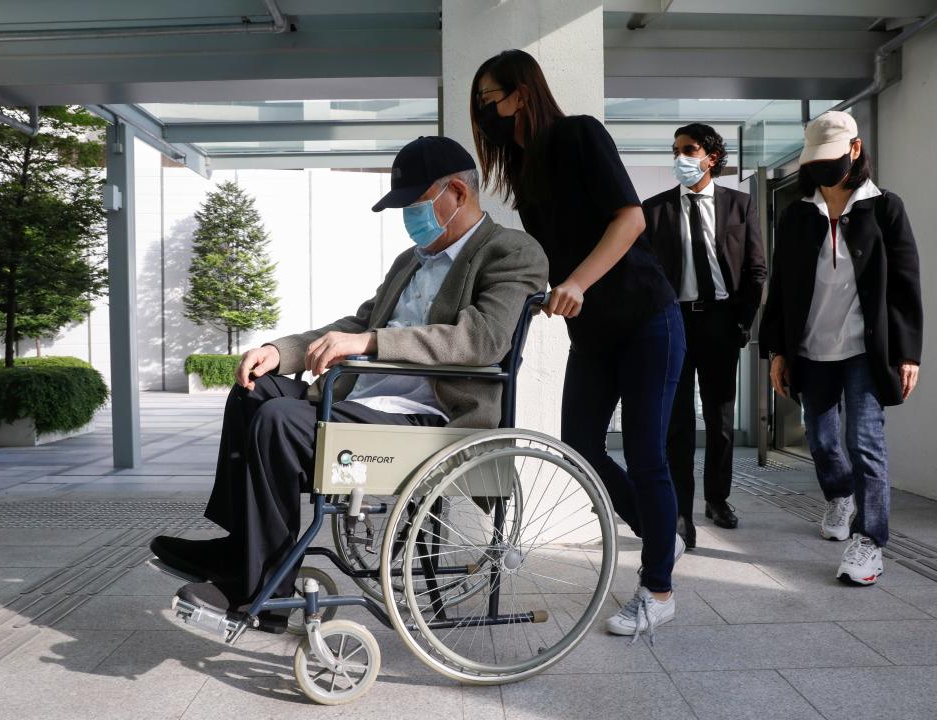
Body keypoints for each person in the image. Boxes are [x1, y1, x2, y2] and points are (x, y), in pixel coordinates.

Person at [150, 135, 549, 612]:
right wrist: (282, 352)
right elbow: (360, 323)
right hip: (367, 402)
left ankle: (259, 588)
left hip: (430, 417)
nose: (408, 218)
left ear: (457, 195)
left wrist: (372, 343)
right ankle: (241, 550)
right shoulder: (411, 262)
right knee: (252, 392)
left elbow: (483, 338)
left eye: (415, 204)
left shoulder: (511, 251)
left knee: (280, 420)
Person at [470, 49, 685, 639]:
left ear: (520, 92)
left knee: (646, 456)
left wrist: (575, 283)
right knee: (580, 444)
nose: (484, 112)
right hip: (594, 331)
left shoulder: (579, 135)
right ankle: (665, 534)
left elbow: (630, 220)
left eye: (489, 98)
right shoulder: (524, 168)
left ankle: (658, 589)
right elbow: (555, 253)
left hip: (647, 318)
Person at [759, 111, 922, 585]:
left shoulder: (884, 207)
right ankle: (839, 495)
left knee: (864, 441)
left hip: (865, 349)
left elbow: (906, 283)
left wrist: (907, 351)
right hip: (811, 347)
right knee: (822, 438)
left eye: (830, 158)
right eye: (816, 160)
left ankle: (870, 542)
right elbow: (782, 286)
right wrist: (777, 350)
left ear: (854, 151)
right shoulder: (796, 215)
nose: (822, 168)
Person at [644, 123, 767, 548]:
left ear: (711, 156)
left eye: (689, 149)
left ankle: (718, 499)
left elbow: (756, 269)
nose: (680, 157)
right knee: (677, 423)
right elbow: (645, 275)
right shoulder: (654, 209)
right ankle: (680, 511)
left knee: (720, 420)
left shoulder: (739, 205)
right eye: (676, 150)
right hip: (674, 322)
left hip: (720, 321)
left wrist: (741, 323)